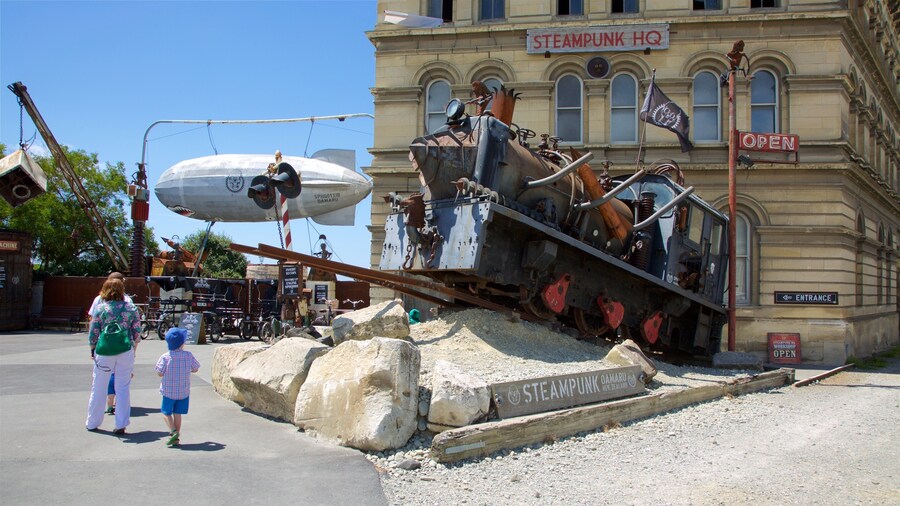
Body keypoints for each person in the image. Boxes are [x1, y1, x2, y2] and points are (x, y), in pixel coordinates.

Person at [85, 278, 141, 435]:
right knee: (122, 388)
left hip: (104, 351)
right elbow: (137, 332)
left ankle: (92, 422)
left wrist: (92, 349)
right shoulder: (131, 308)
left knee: (99, 386)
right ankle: (121, 423)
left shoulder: (101, 308)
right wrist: (133, 349)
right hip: (125, 350)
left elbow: (93, 331)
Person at [156, 327, 200, 447]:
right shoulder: (188, 355)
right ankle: (177, 437)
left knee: (165, 412)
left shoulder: (165, 357)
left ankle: (173, 431)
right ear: (182, 343)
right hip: (183, 391)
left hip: (168, 390)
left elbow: (159, 372)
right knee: (177, 414)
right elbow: (196, 368)